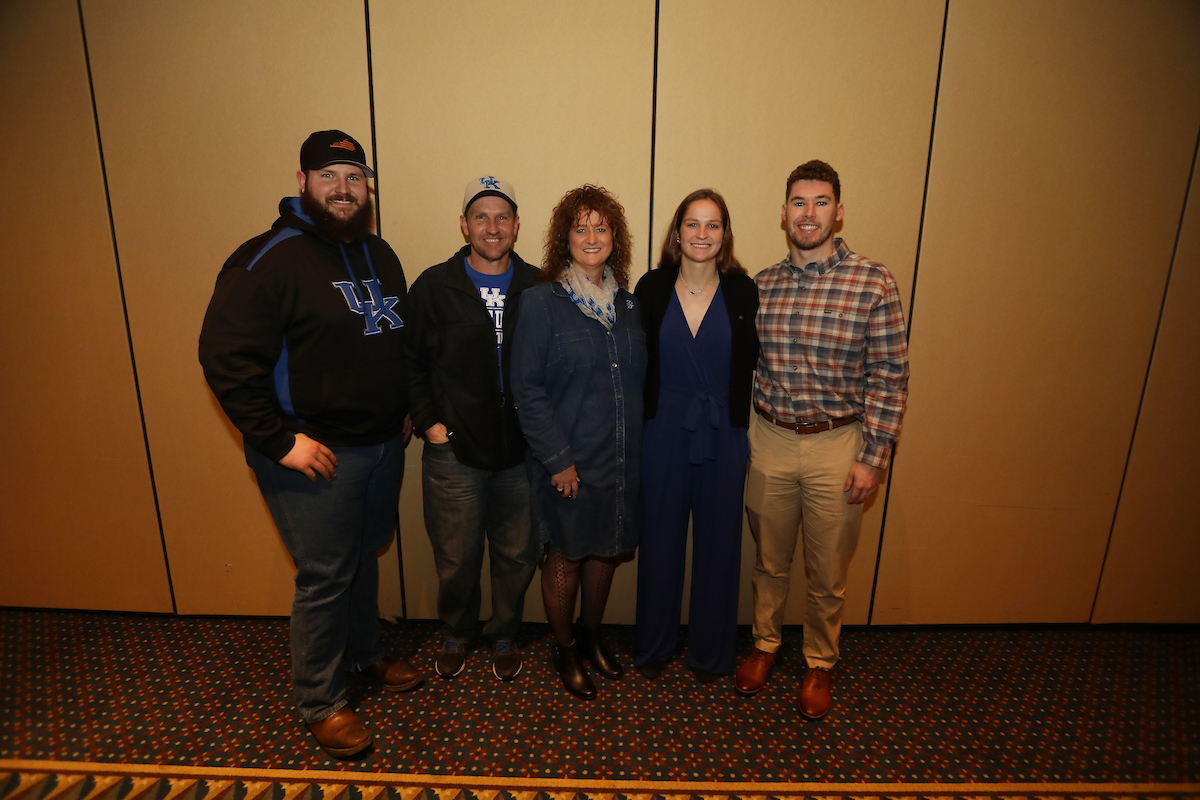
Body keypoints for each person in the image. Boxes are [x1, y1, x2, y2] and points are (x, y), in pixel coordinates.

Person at [199, 130, 420, 759]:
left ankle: (365, 655)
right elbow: (225, 358)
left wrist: (402, 409)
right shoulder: (266, 258)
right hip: (313, 454)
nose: (344, 189)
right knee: (325, 576)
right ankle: (321, 702)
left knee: (363, 556)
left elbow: (394, 341)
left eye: (354, 176)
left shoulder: (380, 253)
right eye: (330, 176)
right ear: (302, 182)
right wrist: (277, 439)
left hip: (381, 444)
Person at [736, 160, 909, 719]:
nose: (808, 214)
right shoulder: (760, 285)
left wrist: (873, 457)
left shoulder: (873, 281)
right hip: (770, 439)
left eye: (820, 202)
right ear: (783, 213)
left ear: (839, 211)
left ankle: (819, 662)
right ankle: (765, 645)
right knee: (770, 560)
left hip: (839, 443)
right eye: (798, 203)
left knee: (828, 567)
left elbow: (889, 374)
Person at [510, 185, 646, 700]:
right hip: (566, 462)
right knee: (565, 556)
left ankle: (592, 636)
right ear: (564, 238)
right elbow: (526, 388)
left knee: (606, 552)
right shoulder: (542, 303)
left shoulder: (630, 306)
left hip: (619, 459)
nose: (592, 237)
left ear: (616, 237)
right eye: (581, 227)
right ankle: (564, 647)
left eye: (602, 227)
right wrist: (558, 460)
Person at [406, 176, 539, 681]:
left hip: (520, 451)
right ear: (464, 225)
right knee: (456, 556)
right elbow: (412, 363)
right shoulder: (434, 287)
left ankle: (505, 632)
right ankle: (457, 632)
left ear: (517, 226)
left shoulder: (539, 286)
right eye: (480, 216)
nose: (492, 226)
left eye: (502, 216)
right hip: (453, 452)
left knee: (516, 552)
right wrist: (429, 423)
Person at [633, 189, 758, 683]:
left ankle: (710, 653)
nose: (702, 234)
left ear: (725, 234)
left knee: (719, 545)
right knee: (659, 543)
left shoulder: (746, 291)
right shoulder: (651, 287)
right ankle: (655, 645)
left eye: (712, 225)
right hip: (662, 428)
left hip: (724, 431)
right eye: (692, 223)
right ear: (677, 232)